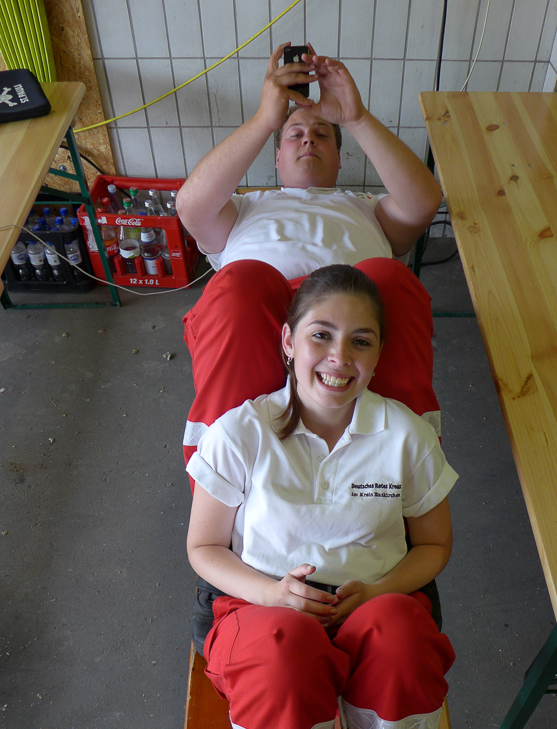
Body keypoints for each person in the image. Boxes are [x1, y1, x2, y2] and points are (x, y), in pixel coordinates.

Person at [186, 265, 457, 729]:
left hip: (372, 602)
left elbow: (433, 545)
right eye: (321, 335)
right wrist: (273, 594)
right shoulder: (242, 432)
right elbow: (204, 548)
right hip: (264, 610)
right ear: (286, 341)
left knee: (402, 646)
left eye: (361, 341)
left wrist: (383, 588)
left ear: (378, 353)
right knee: (281, 661)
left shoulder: (402, 435)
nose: (340, 357)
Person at [177, 43, 444, 476]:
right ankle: (223, 476)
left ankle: (407, 467)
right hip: (260, 311)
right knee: (240, 281)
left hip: (351, 317)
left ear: (339, 159)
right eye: (294, 134)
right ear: (277, 157)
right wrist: (265, 120)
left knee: (388, 278)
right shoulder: (243, 207)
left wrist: (356, 118)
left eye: (322, 134)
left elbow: (424, 203)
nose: (308, 139)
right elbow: (190, 205)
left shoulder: (366, 207)